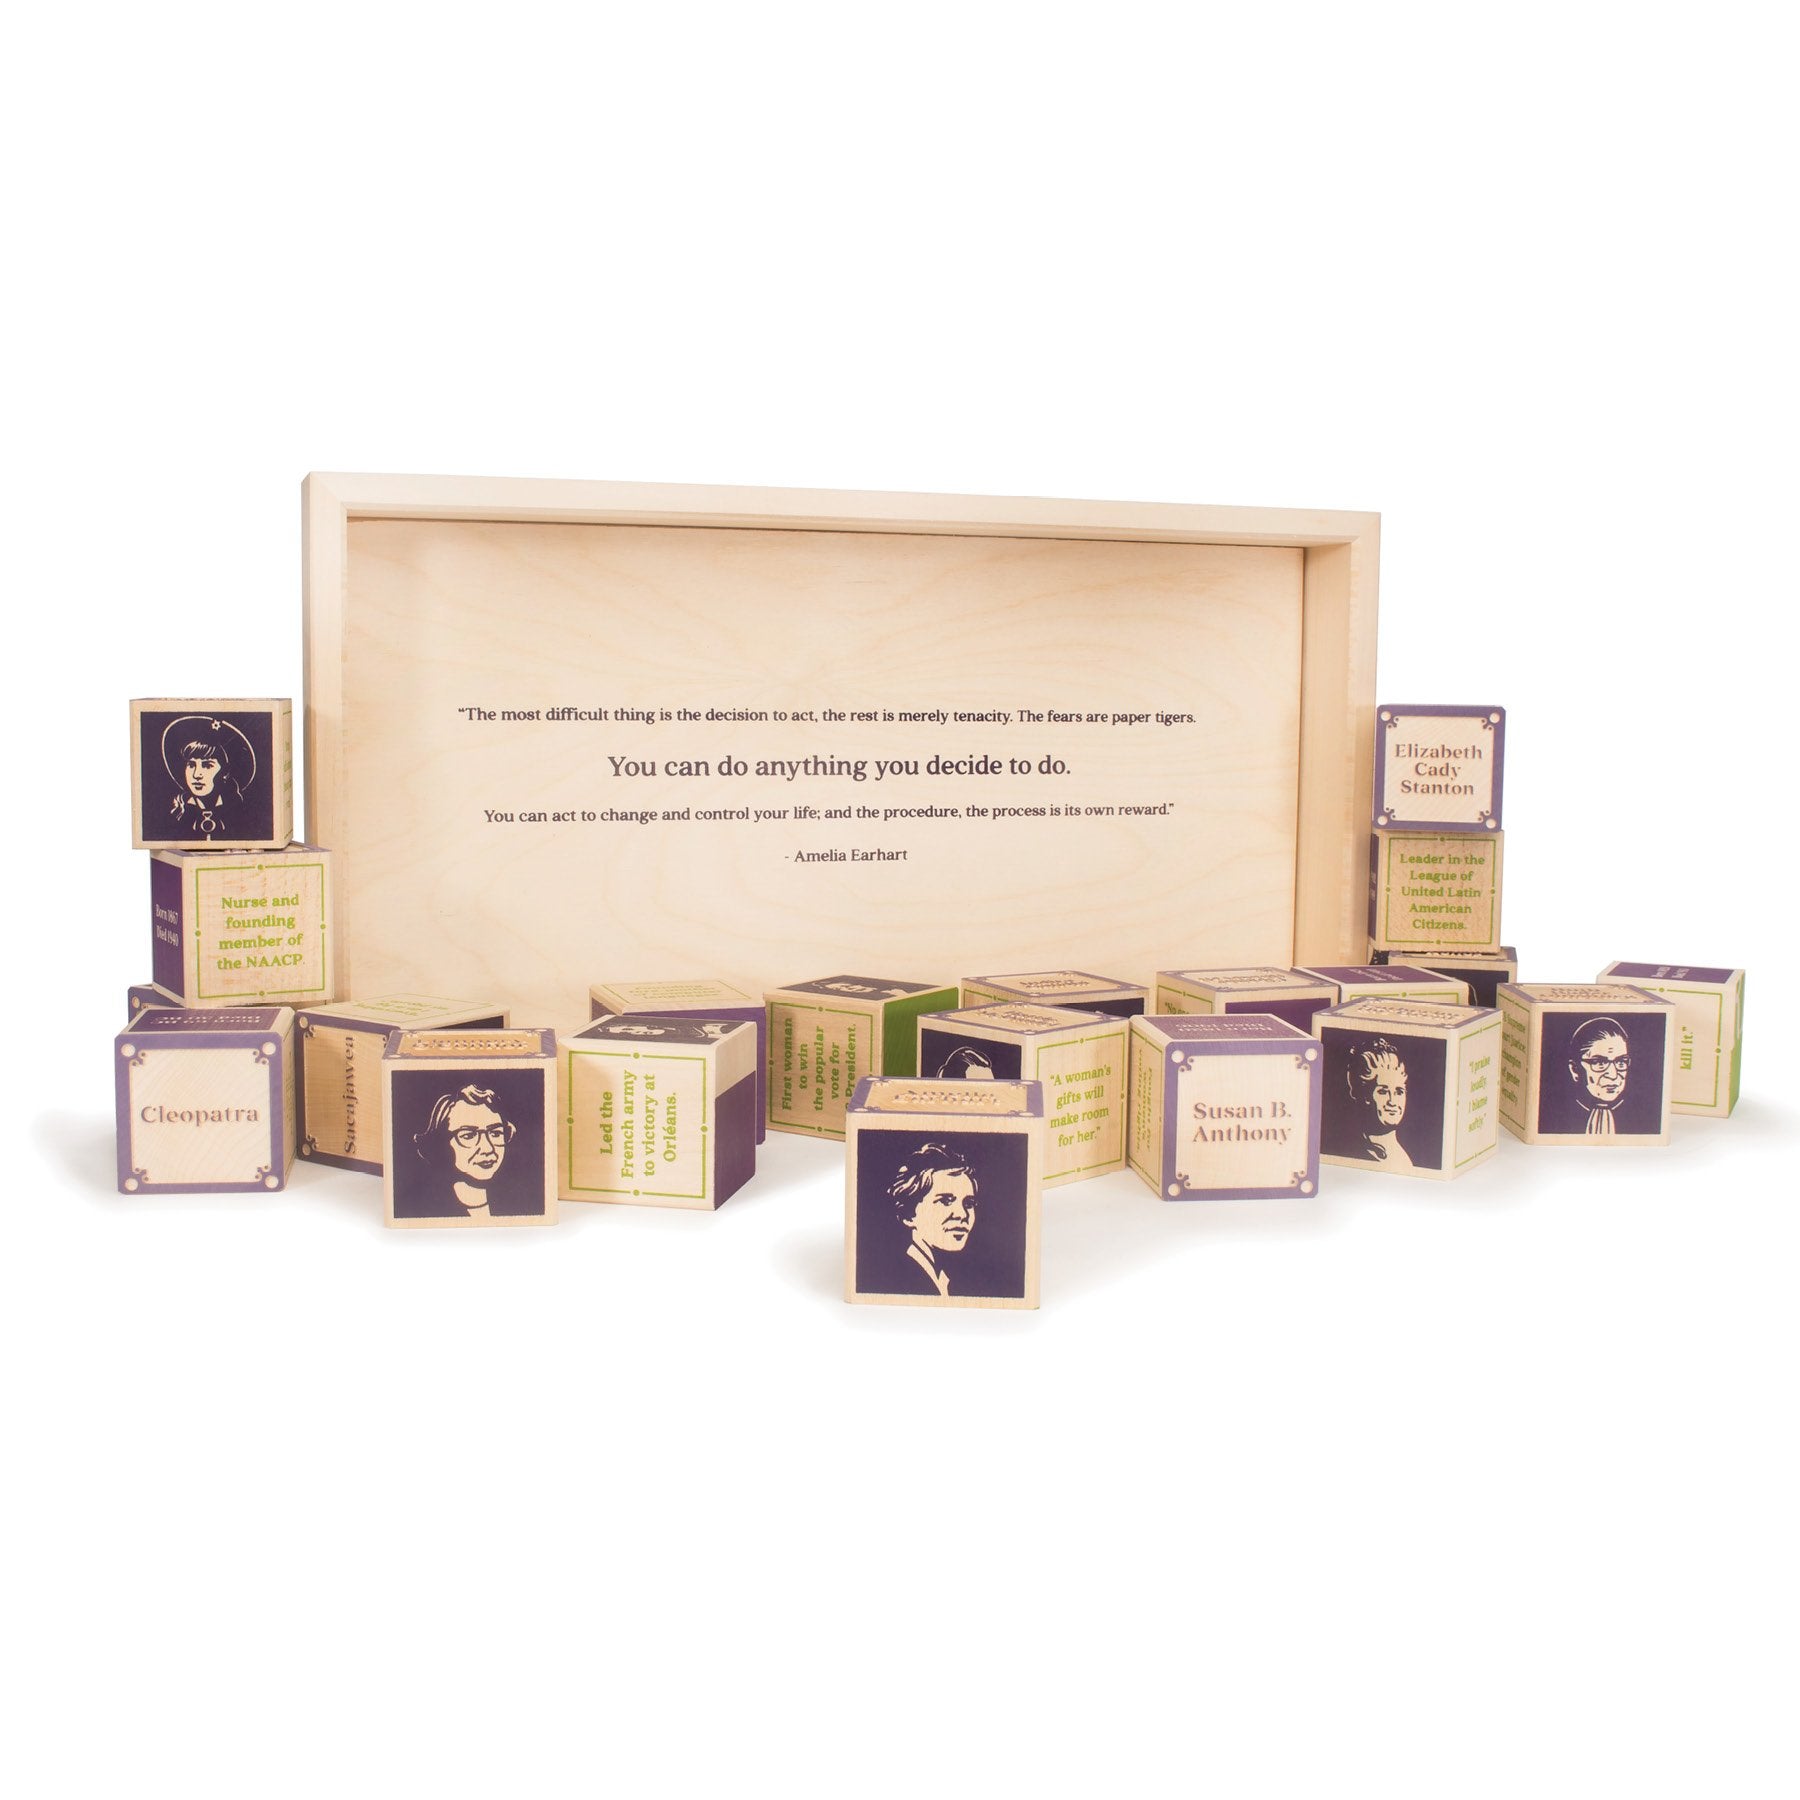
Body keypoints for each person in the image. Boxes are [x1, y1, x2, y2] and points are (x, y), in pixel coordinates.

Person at [405, 1084, 524, 1218]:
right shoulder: (423, 1208)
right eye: (468, 1136)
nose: (488, 1148)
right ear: (441, 1143)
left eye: (495, 1133)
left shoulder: (519, 1200)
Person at [885, 1143, 978, 1297]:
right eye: (945, 1201)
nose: (962, 1214)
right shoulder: (900, 1278)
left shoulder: (943, 1278)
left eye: (969, 1204)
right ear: (909, 1214)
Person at [161, 716, 254, 838]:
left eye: (207, 766)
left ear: (225, 772)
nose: (196, 775)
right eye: (191, 765)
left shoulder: (239, 812)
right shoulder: (177, 811)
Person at [1341, 1036, 1413, 1167]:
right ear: (1363, 1094)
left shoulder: (1403, 1156)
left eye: (1399, 1092)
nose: (1392, 1101)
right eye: (1383, 1092)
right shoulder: (1350, 1151)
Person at [1564, 1017, 1631, 1135]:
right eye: (1600, 1063)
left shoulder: (1644, 1117)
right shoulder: (1559, 1116)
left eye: (1621, 1062)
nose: (1613, 1075)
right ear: (1575, 1070)